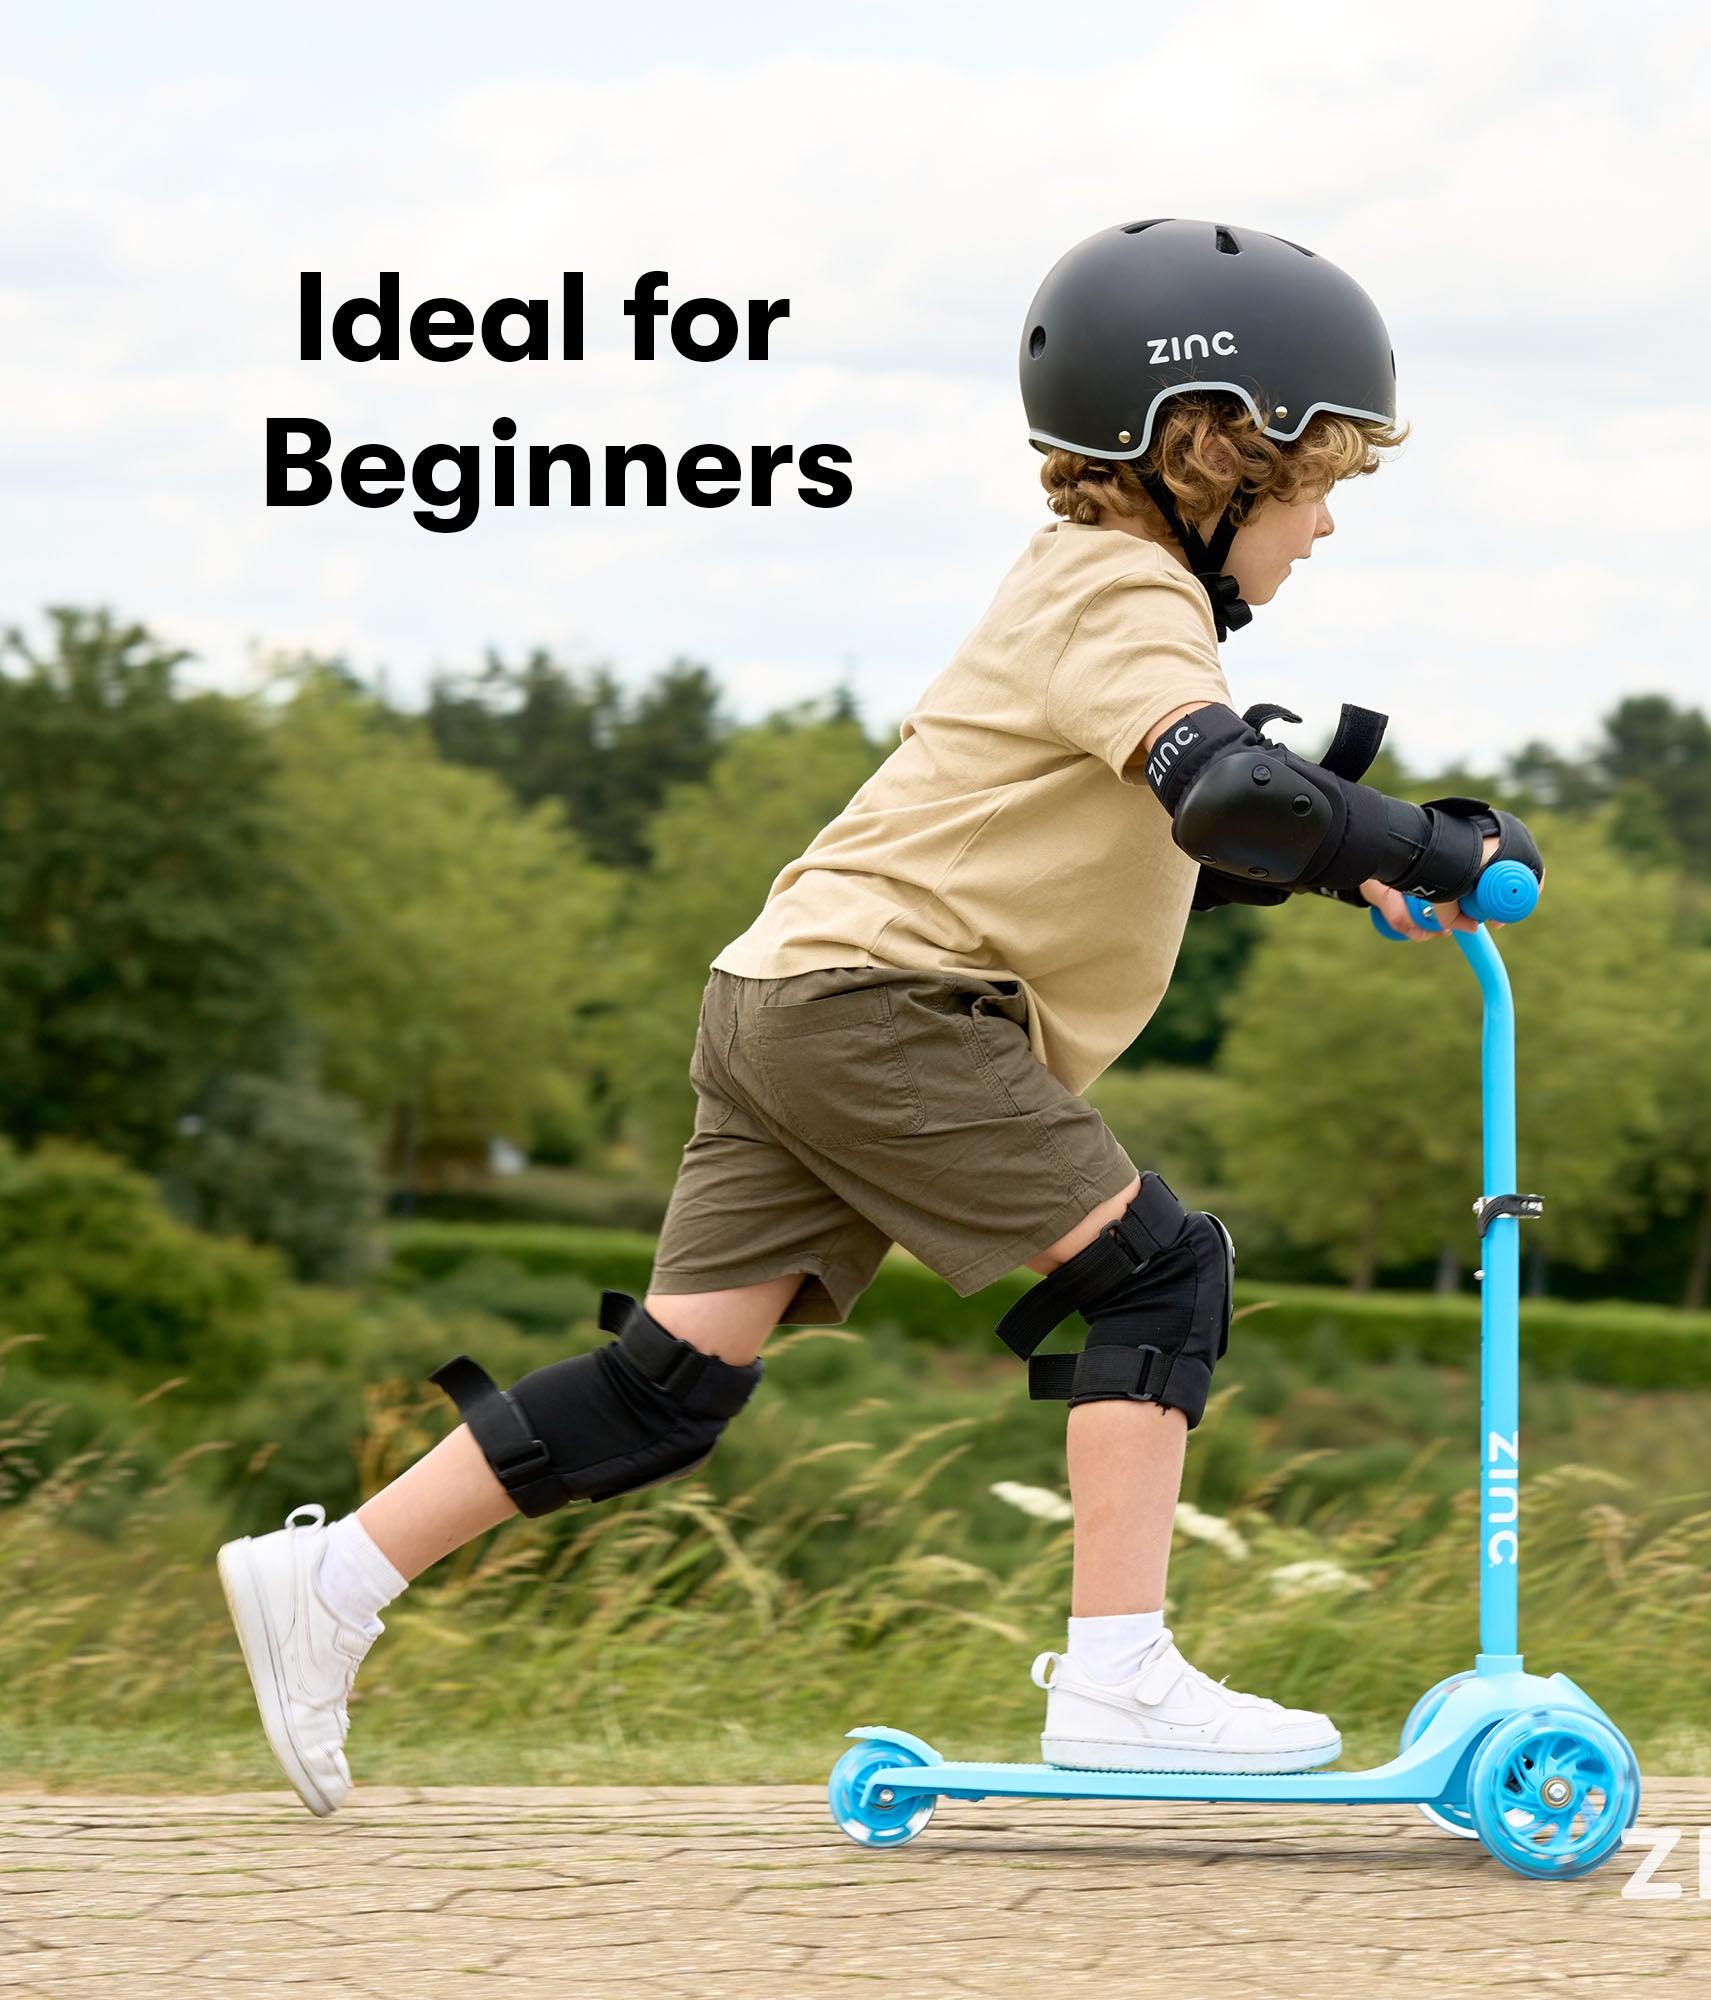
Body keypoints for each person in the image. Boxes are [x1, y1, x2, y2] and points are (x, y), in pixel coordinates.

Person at [218, 217, 1542, 1816]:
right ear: (1211, 453)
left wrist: (1368, 869)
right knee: (1163, 1275)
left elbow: (1194, 824)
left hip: (785, 995)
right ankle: (1119, 1680)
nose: (1327, 526)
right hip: (884, 1011)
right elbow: (1236, 792)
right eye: (1318, 481)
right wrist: (1424, 843)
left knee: (664, 1389)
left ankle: (334, 1580)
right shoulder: (1129, 593)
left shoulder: (1085, 591)